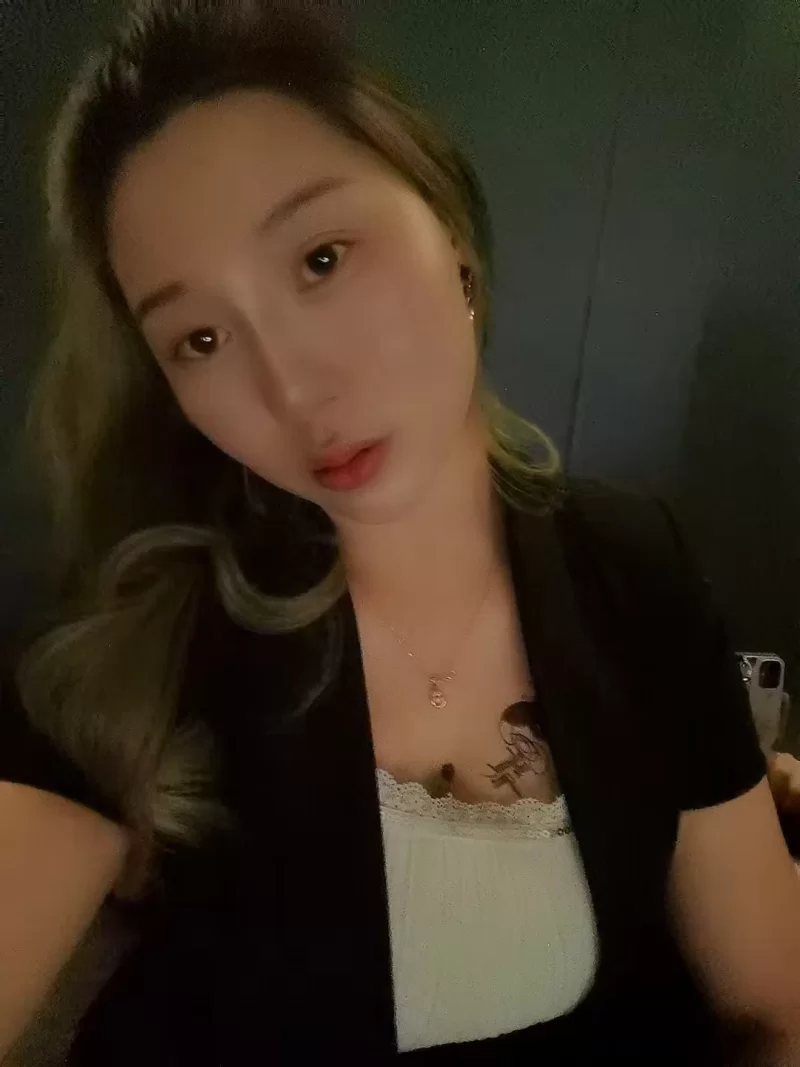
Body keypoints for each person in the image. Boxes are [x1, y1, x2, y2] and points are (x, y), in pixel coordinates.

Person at [1, 1, 799, 1063]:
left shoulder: (629, 563)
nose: (292, 389)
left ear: (451, 238)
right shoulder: (152, 633)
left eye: (322, 258)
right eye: (199, 338)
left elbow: (773, 1001)